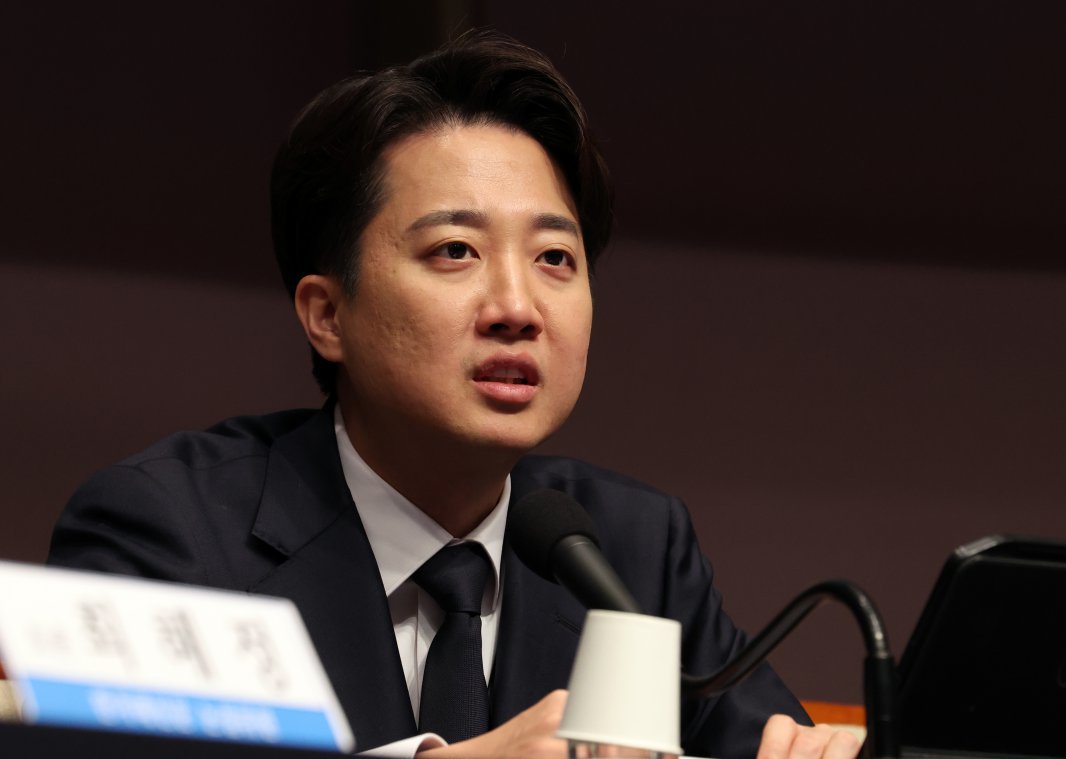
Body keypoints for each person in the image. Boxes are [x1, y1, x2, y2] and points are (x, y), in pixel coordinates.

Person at [48, 31, 862, 759]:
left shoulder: (629, 550)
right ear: (327, 314)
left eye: (554, 258)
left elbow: (765, 738)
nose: (517, 307)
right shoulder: (170, 533)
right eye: (455, 250)